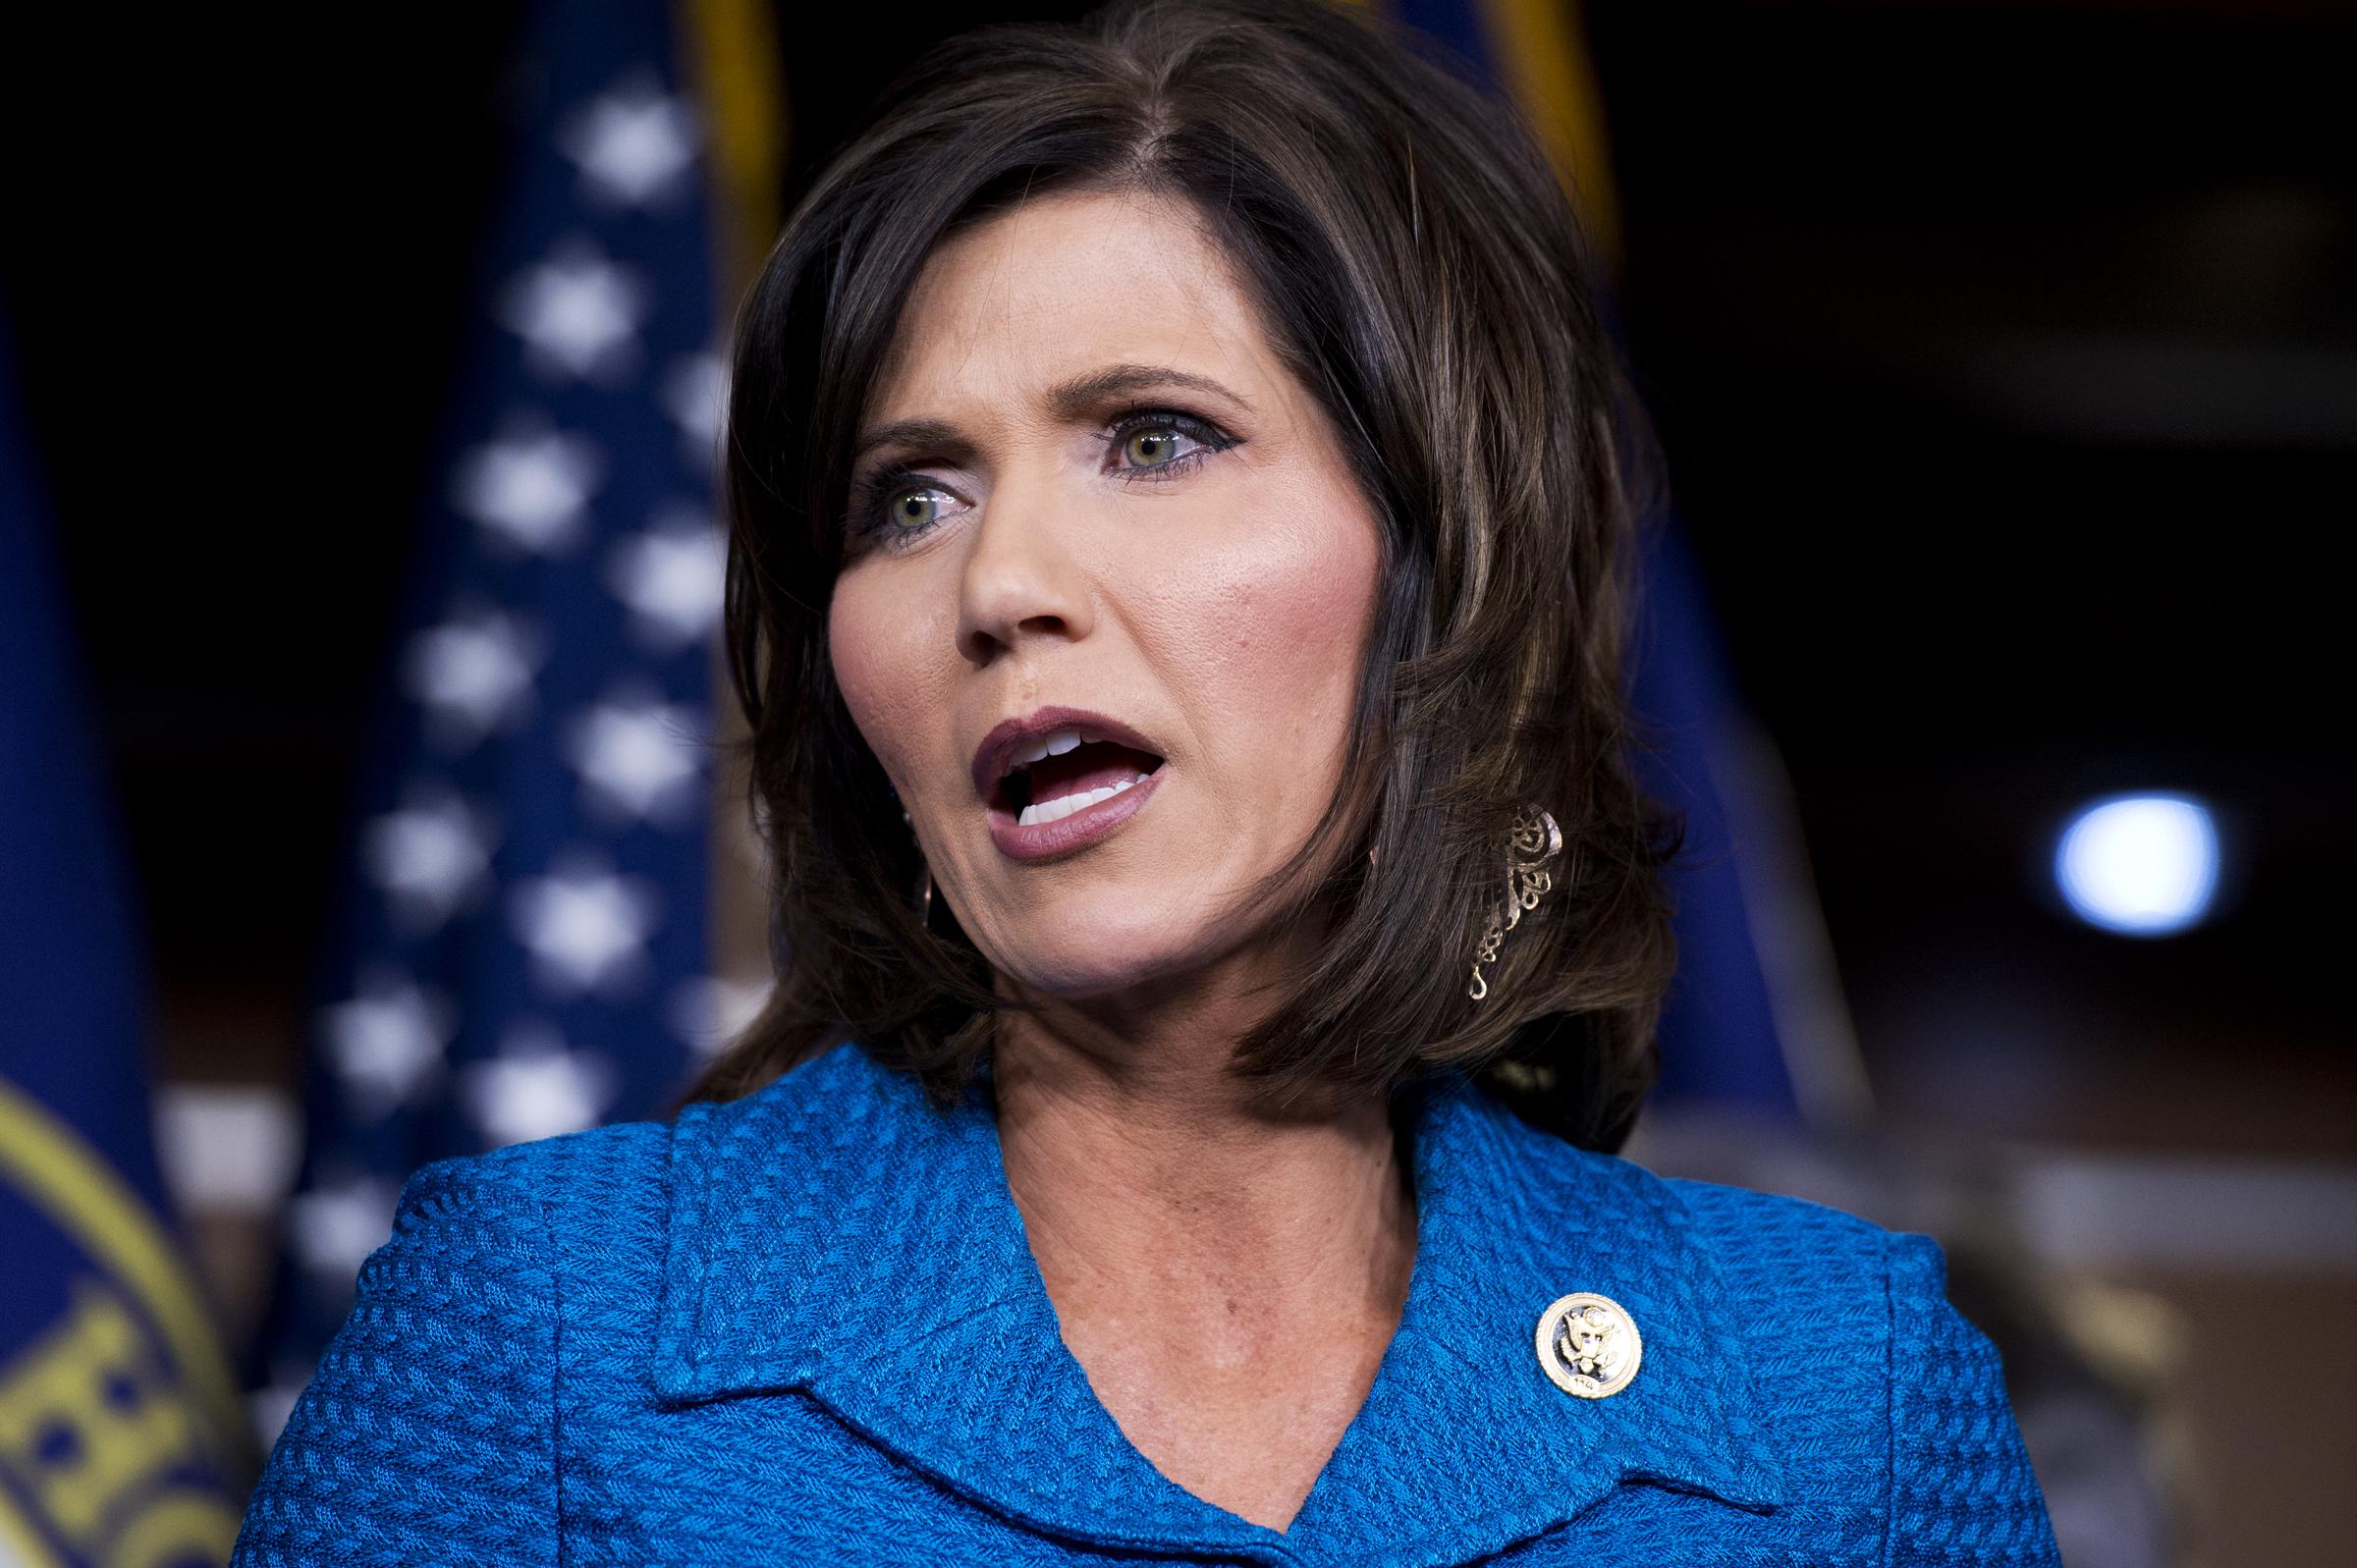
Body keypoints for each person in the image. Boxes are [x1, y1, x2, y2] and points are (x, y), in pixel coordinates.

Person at [232, 1, 2062, 1562]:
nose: (1000, 580)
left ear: (1440, 555)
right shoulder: (544, 1332)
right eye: (908, 498)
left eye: (1156, 438)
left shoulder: (1843, 1398)